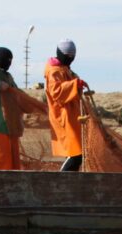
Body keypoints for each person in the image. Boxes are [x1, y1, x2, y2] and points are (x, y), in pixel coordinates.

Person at [44, 39, 87, 172]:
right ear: (61, 54)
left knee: (77, 153)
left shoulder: (66, 69)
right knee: (76, 154)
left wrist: (78, 85)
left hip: (73, 116)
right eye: (68, 55)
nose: (71, 58)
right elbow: (56, 92)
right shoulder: (54, 71)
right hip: (63, 117)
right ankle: (60, 179)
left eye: (73, 56)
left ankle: (69, 180)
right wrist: (75, 84)